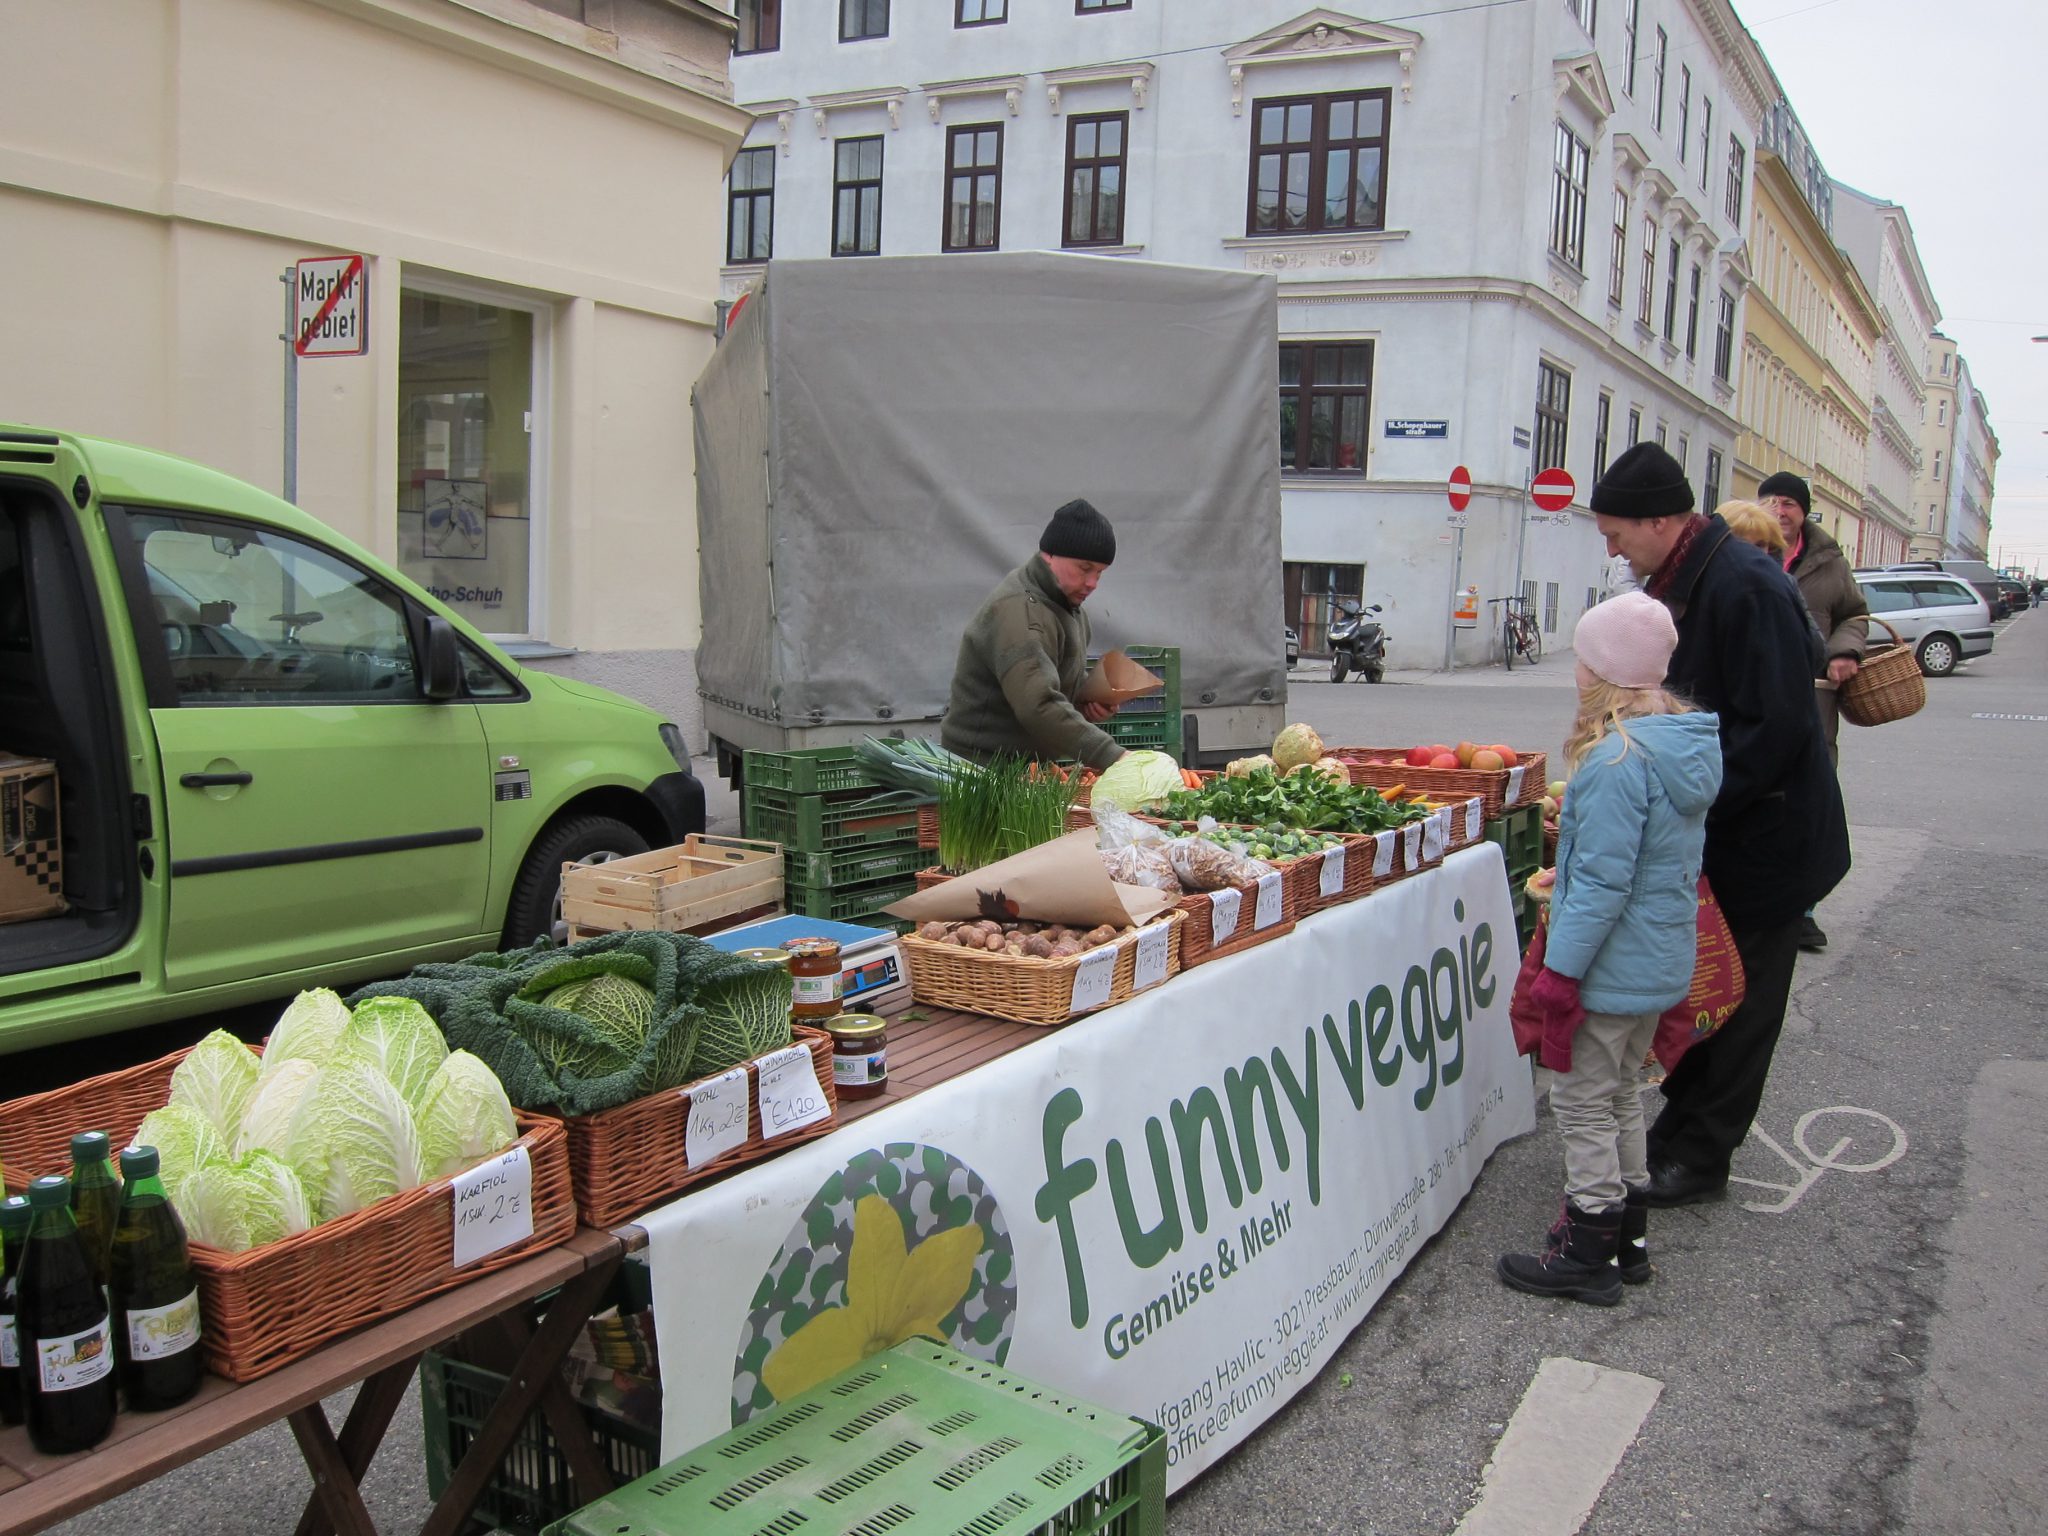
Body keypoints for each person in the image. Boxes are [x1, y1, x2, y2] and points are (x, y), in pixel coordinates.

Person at [1590, 443, 1849, 1208]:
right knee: (1707, 991)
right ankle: (1681, 1129)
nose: (1612, 551)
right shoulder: (1691, 577)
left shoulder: (1745, 585)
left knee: (1743, 1008)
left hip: (1768, 836)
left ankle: (1702, 1159)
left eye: (1616, 535)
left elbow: (1777, 729)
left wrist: (1676, 801)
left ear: (1659, 521)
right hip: (1727, 830)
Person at [1499, 593, 1722, 1305]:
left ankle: (1587, 1251)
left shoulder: (1614, 760)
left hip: (1608, 966)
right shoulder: (1678, 747)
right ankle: (1629, 1240)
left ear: (1604, 673)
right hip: (1658, 959)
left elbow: (1601, 885)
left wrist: (1560, 971)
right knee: (1622, 1092)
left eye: (1583, 659)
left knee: (1582, 1102)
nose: (1576, 671)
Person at [1757, 471, 1867, 954]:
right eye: (1772, 501)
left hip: (1811, 699)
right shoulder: (1744, 548)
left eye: (1789, 503)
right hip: (1754, 697)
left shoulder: (1828, 560)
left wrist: (1845, 652)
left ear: (1804, 511)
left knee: (1807, 800)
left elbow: (1854, 614)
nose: (1780, 511)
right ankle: (1751, 902)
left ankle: (1802, 911)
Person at [941, 499, 1128, 770]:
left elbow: (1053, 682)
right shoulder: (1019, 612)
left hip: (1026, 768)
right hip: (980, 771)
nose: (1092, 583)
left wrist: (1086, 701)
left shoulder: (1069, 609)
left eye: (1099, 573)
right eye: (1084, 568)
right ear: (1049, 555)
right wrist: (1114, 756)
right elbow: (1037, 705)